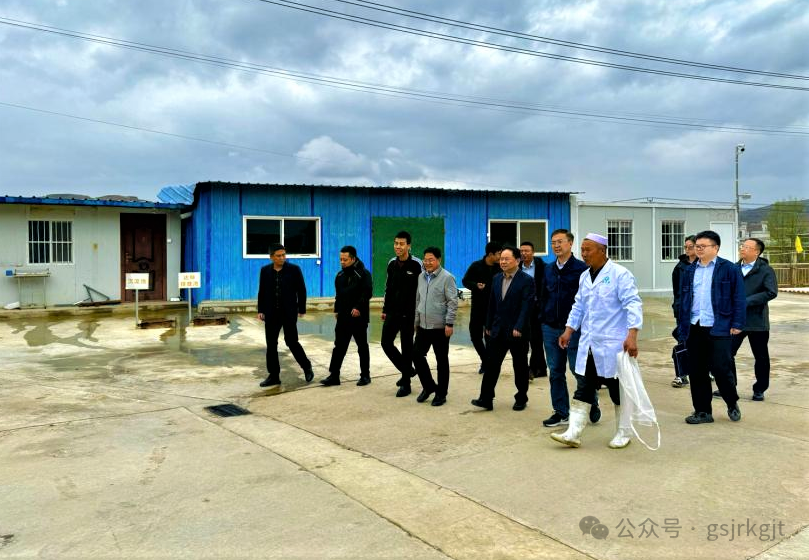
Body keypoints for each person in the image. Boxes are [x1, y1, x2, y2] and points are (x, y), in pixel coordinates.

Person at [551, 233, 643, 449]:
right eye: (582, 250)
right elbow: (579, 306)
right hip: (590, 343)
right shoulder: (584, 276)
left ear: (602, 251)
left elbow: (633, 304)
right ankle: (573, 433)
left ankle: (624, 432)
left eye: (588, 250)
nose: (583, 254)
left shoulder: (620, 274)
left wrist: (632, 335)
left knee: (617, 389)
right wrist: (569, 330)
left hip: (614, 344)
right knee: (584, 386)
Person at [676, 230, 746, 425]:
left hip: (719, 326)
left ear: (715, 248)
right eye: (696, 246)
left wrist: (737, 323)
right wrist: (681, 324)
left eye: (702, 246)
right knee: (697, 371)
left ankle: (731, 401)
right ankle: (703, 411)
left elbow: (739, 297)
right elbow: (682, 299)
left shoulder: (729, 269)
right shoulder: (689, 270)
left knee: (721, 369)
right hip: (694, 326)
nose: (698, 249)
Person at [538, 229, 593, 427]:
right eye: (553, 242)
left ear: (570, 243)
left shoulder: (582, 269)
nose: (556, 245)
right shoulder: (548, 269)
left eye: (560, 241)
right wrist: (543, 318)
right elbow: (543, 295)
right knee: (555, 371)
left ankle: (591, 400)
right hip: (550, 327)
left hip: (575, 329)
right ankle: (561, 412)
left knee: (578, 369)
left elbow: (587, 301)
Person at [471, 246, 535, 411]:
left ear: (517, 261)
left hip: (517, 332)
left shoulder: (526, 280)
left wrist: (519, 326)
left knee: (520, 366)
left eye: (507, 259)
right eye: (501, 259)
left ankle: (521, 397)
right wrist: (488, 324)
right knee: (491, 364)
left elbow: (526, 306)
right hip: (498, 329)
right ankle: (486, 398)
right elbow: (492, 303)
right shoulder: (497, 278)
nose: (503, 262)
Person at [256, 243, 314, 387]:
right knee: (271, 344)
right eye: (278, 256)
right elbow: (262, 291)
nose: (282, 258)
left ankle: (307, 367)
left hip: (288, 312)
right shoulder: (265, 271)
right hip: (271, 314)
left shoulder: (294, 269)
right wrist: (261, 310)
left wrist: (301, 309)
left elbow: (301, 290)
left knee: (292, 342)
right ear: (271, 257)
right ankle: (274, 376)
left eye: (283, 255)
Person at [321, 246, 373, 387]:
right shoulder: (340, 276)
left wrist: (358, 307)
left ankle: (365, 375)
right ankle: (334, 376)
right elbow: (338, 295)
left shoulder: (363, 274)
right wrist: (336, 310)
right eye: (341, 259)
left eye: (345, 259)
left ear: (353, 259)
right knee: (339, 346)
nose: (342, 262)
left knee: (362, 346)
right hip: (343, 317)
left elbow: (367, 293)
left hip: (358, 317)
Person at [733, 238, 778, 401]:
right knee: (726, 354)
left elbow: (771, 292)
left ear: (757, 252)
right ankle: (729, 387)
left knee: (761, 357)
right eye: (742, 246)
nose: (742, 249)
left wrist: (746, 301)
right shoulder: (734, 268)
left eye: (746, 247)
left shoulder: (766, 270)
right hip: (736, 320)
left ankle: (760, 389)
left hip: (757, 320)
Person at [412, 247, 458, 406]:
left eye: (431, 260)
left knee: (441, 361)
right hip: (423, 326)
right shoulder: (421, 277)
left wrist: (449, 323)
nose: (427, 263)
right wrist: (416, 322)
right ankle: (429, 386)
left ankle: (441, 393)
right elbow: (418, 300)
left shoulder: (447, 278)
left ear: (438, 260)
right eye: (425, 260)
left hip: (440, 327)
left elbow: (452, 302)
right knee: (416, 355)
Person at [381, 231, 423, 398]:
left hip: (409, 314)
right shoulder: (391, 263)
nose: (398, 247)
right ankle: (408, 370)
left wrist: (419, 316)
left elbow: (422, 291)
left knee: (407, 348)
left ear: (409, 246)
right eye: (396, 243)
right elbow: (388, 287)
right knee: (386, 343)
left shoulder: (417, 264)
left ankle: (406, 384)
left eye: (401, 244)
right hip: (392, 312)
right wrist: (385, 309)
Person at [462, 242, 502, 374]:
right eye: (499, 254)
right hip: (478, 308)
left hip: (494, 309)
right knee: (475, 336)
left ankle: (488, 363)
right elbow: (465, 281)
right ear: (490, 254)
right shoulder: (476, 266)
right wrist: (475, 285)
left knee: (490, 338)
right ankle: (485, 360)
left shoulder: (500, 268)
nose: (501, 256)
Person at [670, 235, 697, 388]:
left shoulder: (703, 265)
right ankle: (681, 375)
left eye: (690, 247)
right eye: (685, 247)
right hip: (683, 311)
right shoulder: (680, 267)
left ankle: (705, 370)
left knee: (700, 343)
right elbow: (676, 291)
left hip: (700, 313)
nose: (687, 249)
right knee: (682, 341)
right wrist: (677, 306)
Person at [519, 241, 548, 379]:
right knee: (525, 339)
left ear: (533, 252)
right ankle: (541, 369)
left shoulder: (543, 267)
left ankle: (531, 369)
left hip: (537, 307)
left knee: (536, 339)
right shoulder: (517, 267)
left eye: (527, 251)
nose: (524, 253)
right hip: (522, 308)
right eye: (521, 251)